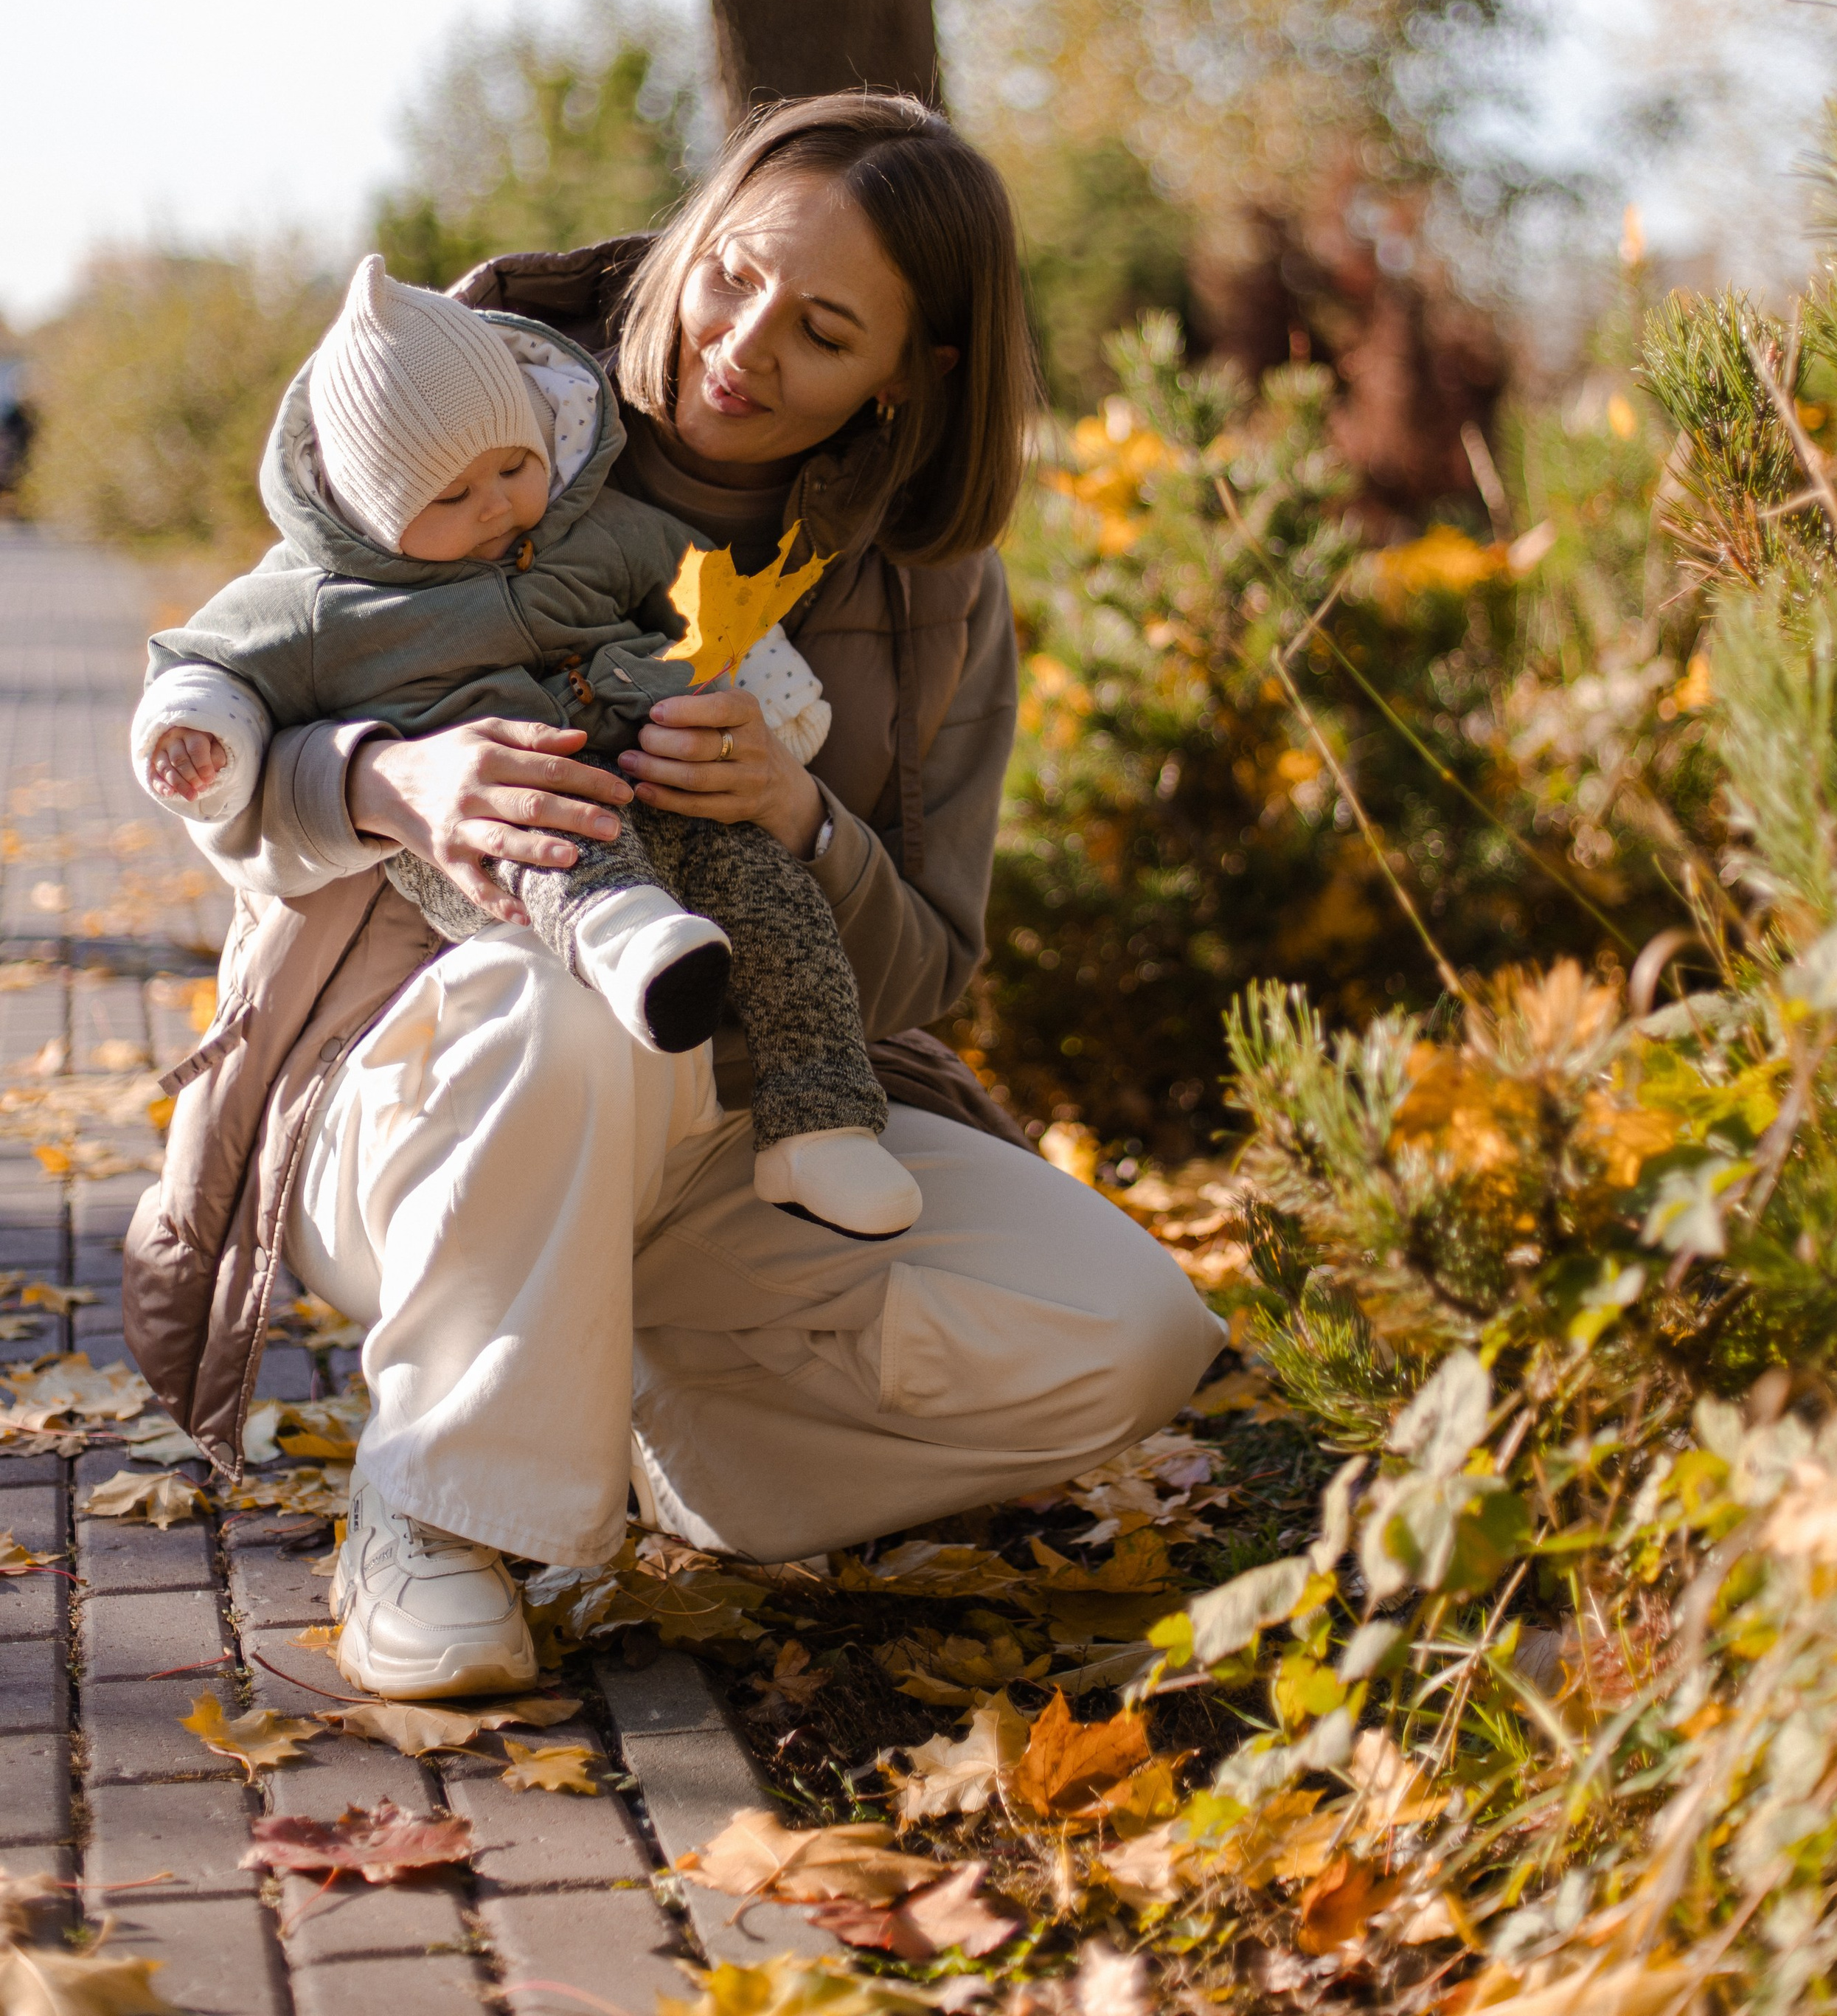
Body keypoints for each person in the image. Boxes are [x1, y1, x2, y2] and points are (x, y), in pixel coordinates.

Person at [124, 94, 1225, 1702]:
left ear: (908, 378)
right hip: (414, 1094)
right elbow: (225, 713)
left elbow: (923, 968)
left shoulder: (925, 593)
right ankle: (432, 1515)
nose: (741, 347)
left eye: (822, 331)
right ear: (693, 232)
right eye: (731, 277)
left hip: (739, 1119)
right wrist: (379, 783)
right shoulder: (467, 402)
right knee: (565, 998)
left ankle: (593, 1420)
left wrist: (798, 817)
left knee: (1120, 1334)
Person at [131, 254, 922, 1242]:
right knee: (542, 836)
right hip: (496, 827)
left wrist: (778, 708)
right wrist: (197, 734)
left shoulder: (597, 529)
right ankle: (622, 938)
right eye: (451, 496)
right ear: (375, 509)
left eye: (513, 467)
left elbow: (703, 589)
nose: (501, 504)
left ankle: (822, 1124)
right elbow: (209, 663)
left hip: (663, 790)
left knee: (777, 899)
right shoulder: (325, 603)